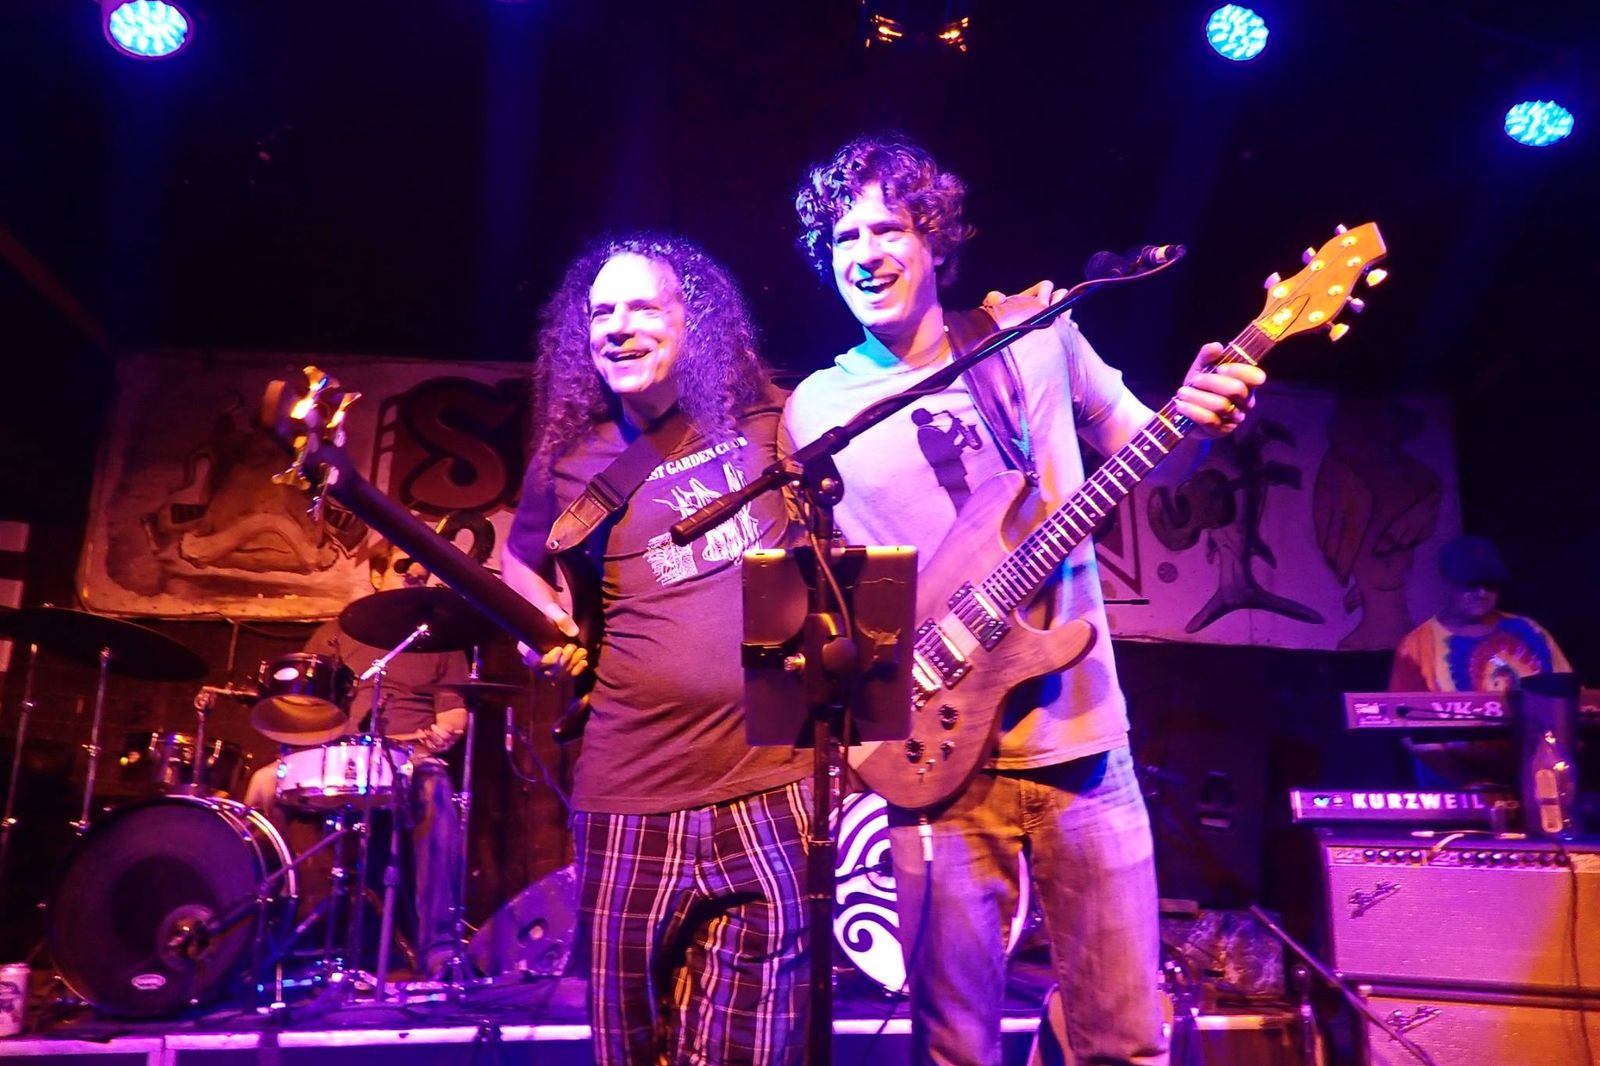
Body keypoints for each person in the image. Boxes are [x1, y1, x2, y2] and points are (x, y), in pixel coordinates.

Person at [783, 134, 1265, 1066]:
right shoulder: (816, 409)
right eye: (844, 237)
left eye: (888, 228)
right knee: (955, 1051)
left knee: (1125, 1042)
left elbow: (1161, 455)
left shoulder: (1036, 335)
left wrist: (1205, 417)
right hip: (933, 763)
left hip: (1084, 746)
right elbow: (827, 602)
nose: (866, 253)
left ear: (935, 239)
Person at [502, 233, 812, 1066]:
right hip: (627, 797)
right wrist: (545, 621)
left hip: (771, 790)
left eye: (642, 306)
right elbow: (516, 560)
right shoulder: (572, 461)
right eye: (601, 311)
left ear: (692, 320)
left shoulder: (772, 420)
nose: (618, 326)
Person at [243, 541, 467, 981]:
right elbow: (302, 706)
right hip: (335, 753)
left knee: (436, 785)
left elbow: (454, 714)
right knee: (263, 784)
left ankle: (438, 947)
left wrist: (447, 731)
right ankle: (256, 936)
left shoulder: (441, 641)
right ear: (377, 575)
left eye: (422, 569)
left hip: (407, 756)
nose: (414, 574)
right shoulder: (337, 632)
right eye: (403, 565)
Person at [1389, 533, 1572, 788]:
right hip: (1456, 793)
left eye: (1490, 585)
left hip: (1539, 783)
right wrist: (1468, 783)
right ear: (1446, 581)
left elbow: (1569, 707)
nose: (1481, 593)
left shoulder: (1531, 632)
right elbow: (1409, 731)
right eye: (1470, 584)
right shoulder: (1416, 646)